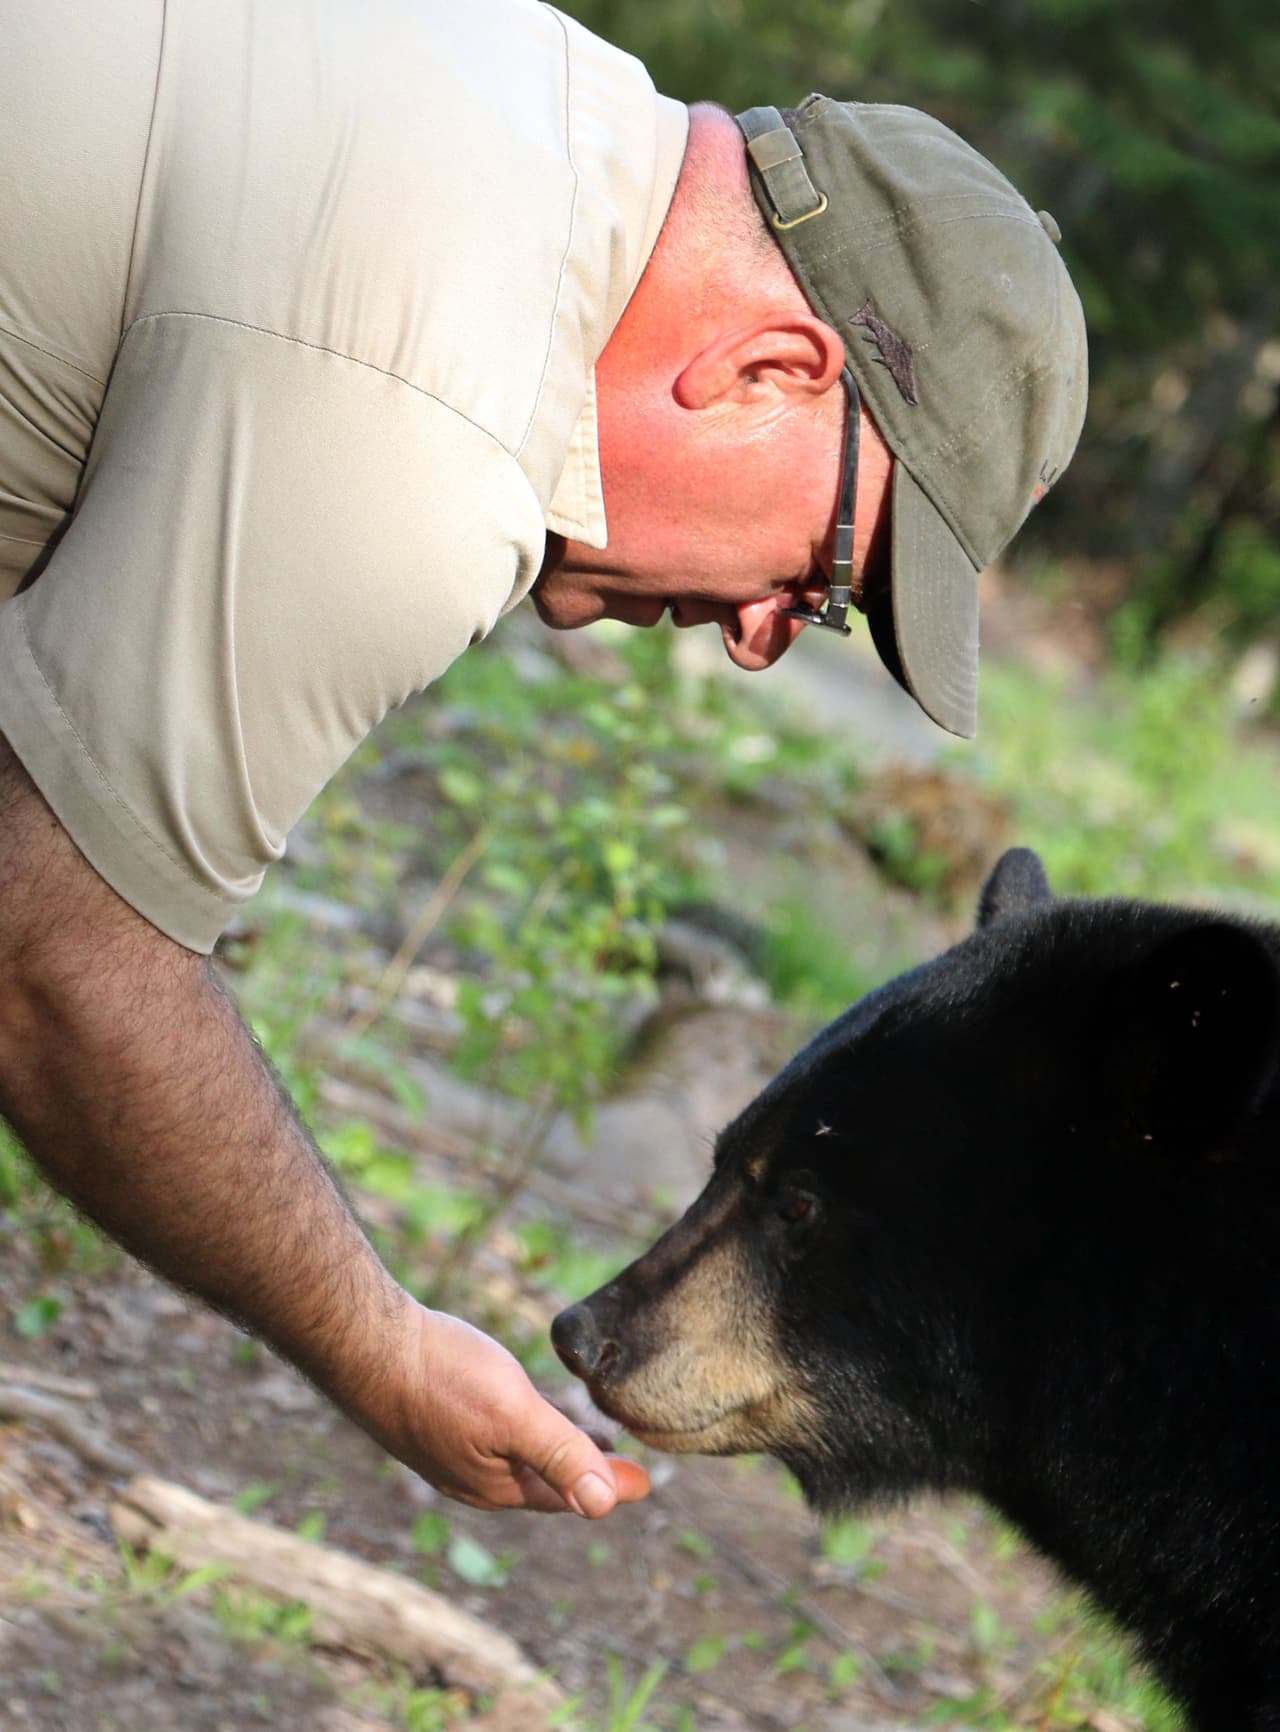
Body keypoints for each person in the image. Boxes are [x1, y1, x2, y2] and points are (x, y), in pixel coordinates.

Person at [0, 0, 1086, 1519]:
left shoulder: (519, 83)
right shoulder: (434, 427)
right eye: (837, 575)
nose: (763, 636)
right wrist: (377, 1348)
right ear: (773, 367)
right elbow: (54, 963)